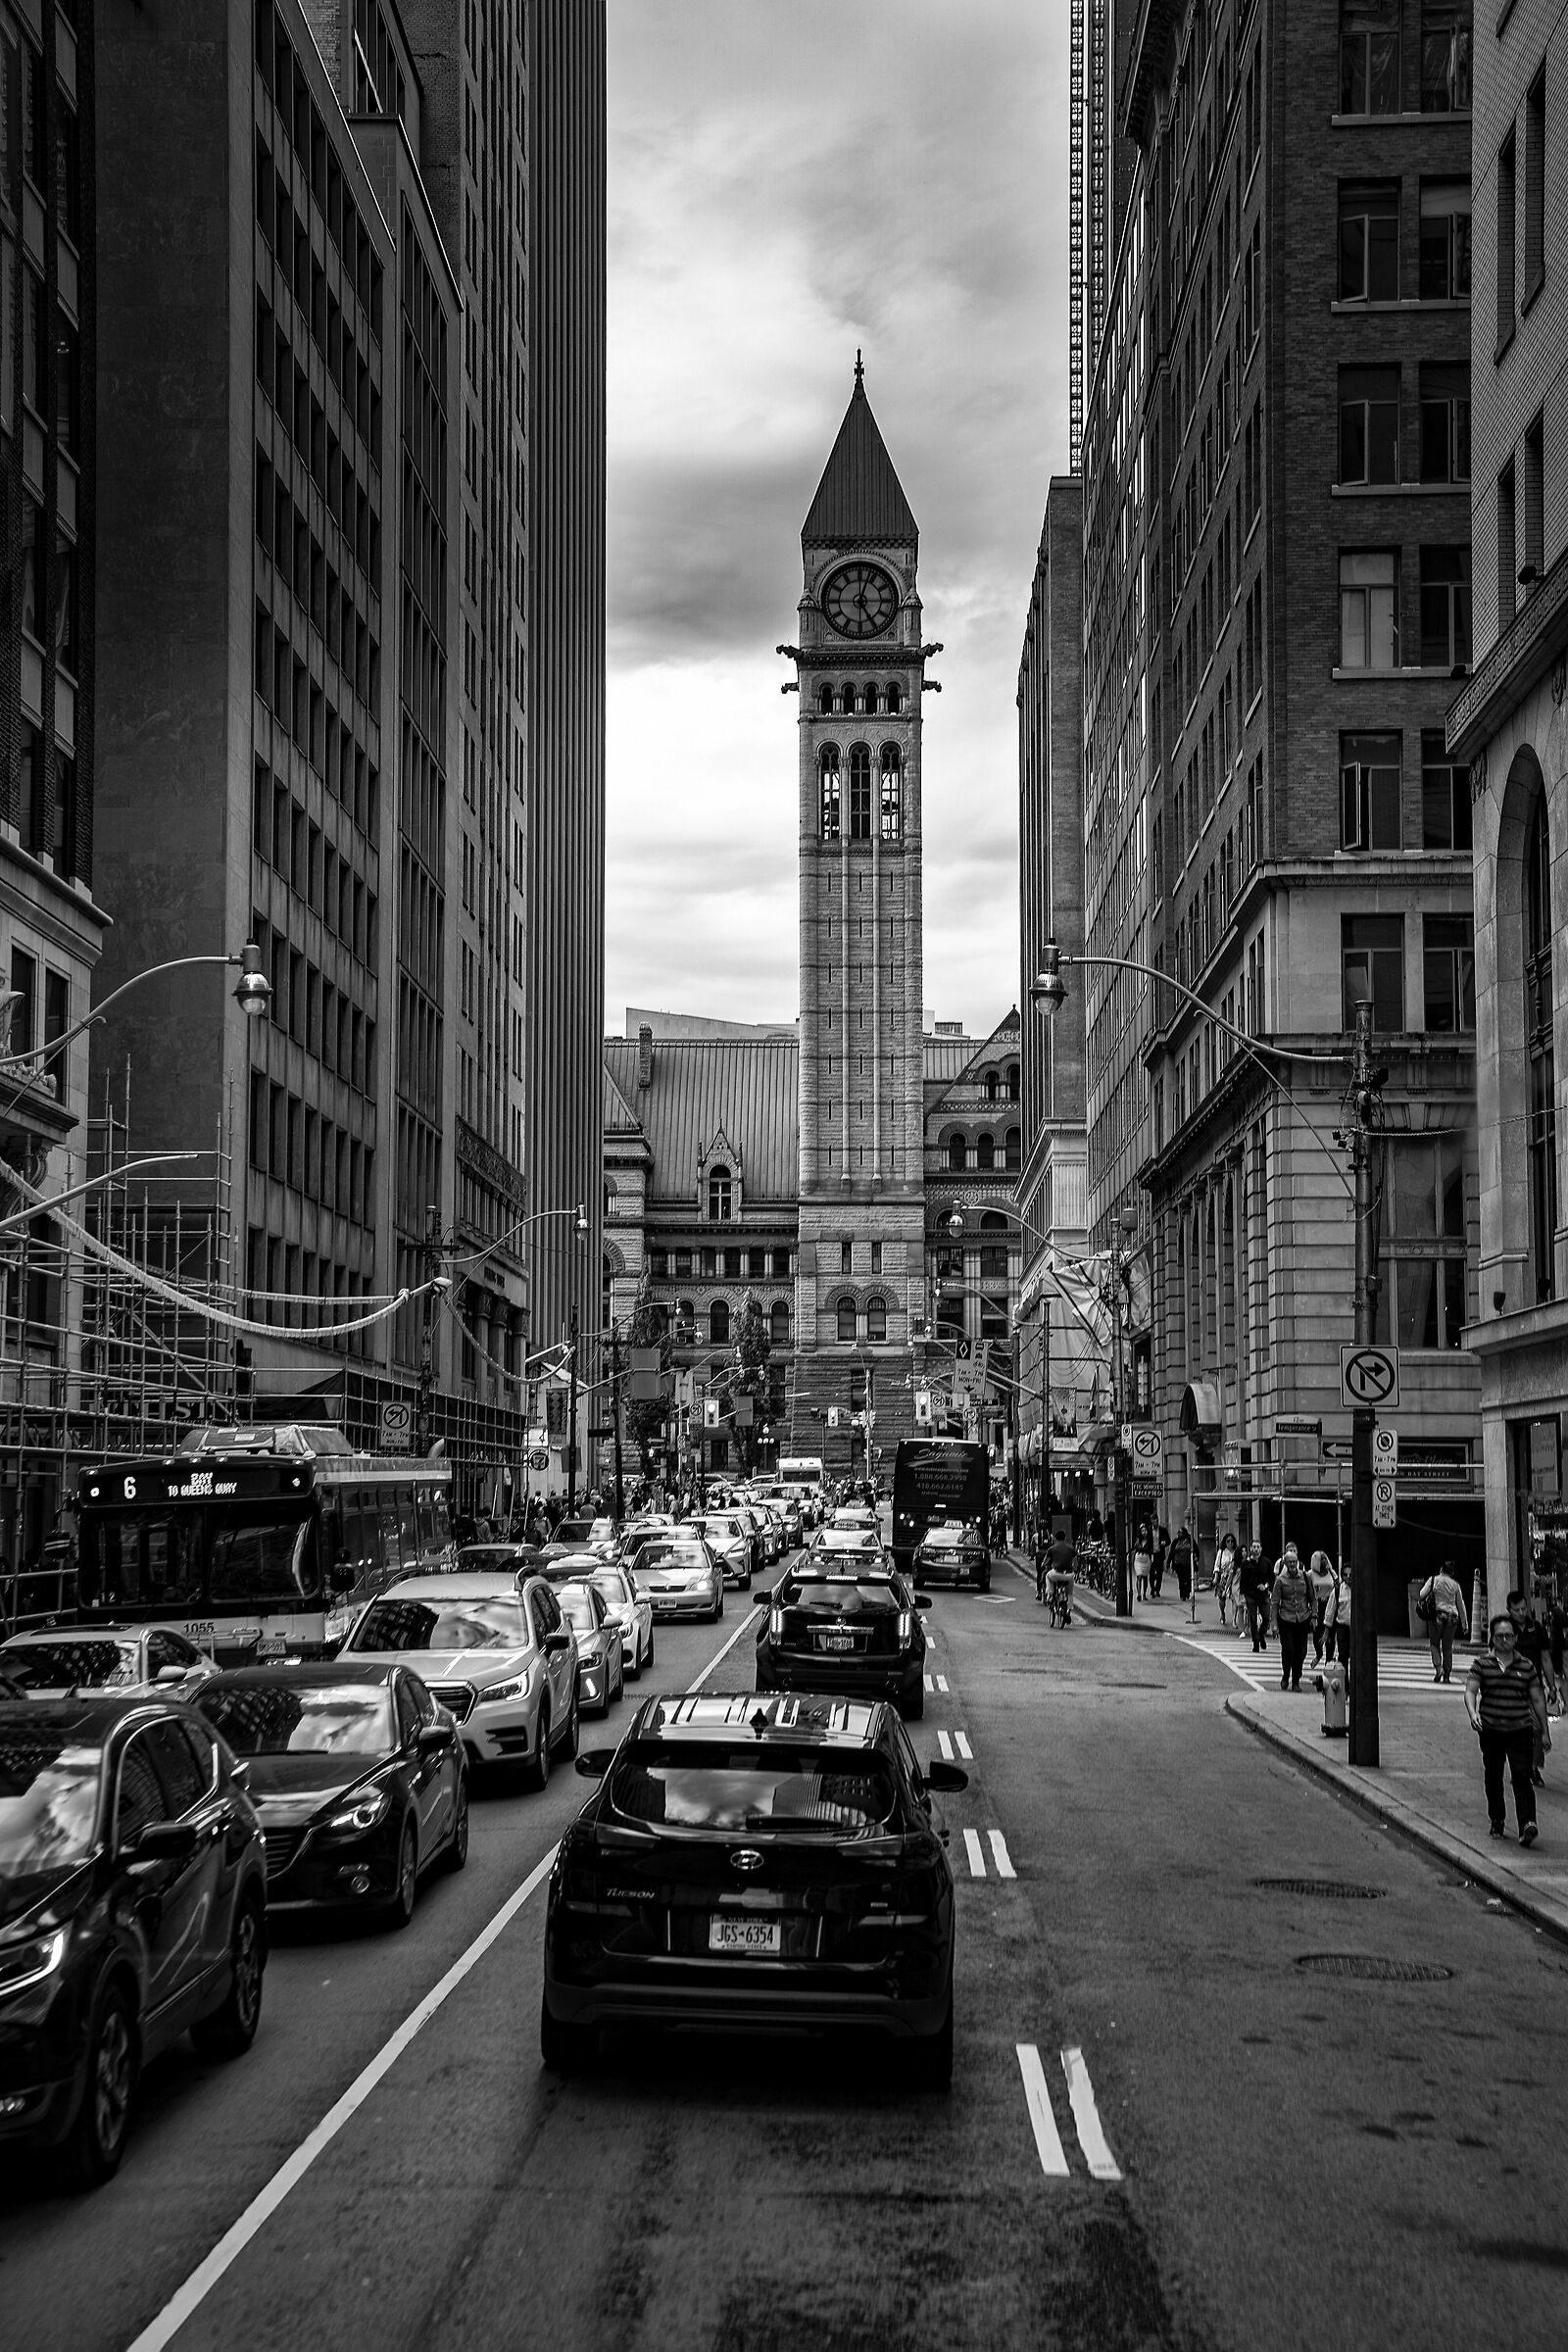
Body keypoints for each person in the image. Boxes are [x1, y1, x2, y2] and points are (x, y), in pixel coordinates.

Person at [1464, 1614, 1548, 1844]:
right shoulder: (1482, 1664)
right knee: (1493, 1776)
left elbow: (1537, 1700)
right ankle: (1497, 1821)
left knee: (1522, 1776)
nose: (1504, 1640)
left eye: (1509, 1636)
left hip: (1520, 1730)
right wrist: (1473, 1714)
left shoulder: (1526, 1665)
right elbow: (1471, 1690)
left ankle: (1527, 1824)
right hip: (1491, 1730)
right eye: (1499, 1636)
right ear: (1492, 1637)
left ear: (1516, 1638)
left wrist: (1544, 1731)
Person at [1506, 1591, 1552, 1783]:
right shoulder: (1504, 1628)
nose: (1521, 1613)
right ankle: (1520, 1767)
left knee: (1538, 1727)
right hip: (1512, 1686)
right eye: (1516, 1610)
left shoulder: (1537, 1628)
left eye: (1524, 1609)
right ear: (1509, 1610)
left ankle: (1534, 1768)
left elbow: (1545, 1658)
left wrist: (1553, 1687)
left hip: (1534, 1685)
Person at [1270, 1543, 1314, 1690]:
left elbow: (1312, 1598)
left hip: (1303, 1617)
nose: (1292, 1565)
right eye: (1289, 1563)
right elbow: (1275, 1603)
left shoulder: (1306, 1577)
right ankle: (1285, 1675)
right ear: (1285, 1564)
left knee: (1300, 1651)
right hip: (1286, 1618)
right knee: (1288, 1648)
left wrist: (1314, 1616)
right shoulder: (1280, 1581)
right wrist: (1274, 1624)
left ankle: (1296, 1680)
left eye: (1294, 1562)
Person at [1419, 1561, 1471, 1685]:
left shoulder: (1433, 1580)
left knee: (1434, 1643)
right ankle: (1447, 1675)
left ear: (1441, 1569)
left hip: (1437, 1616)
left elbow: (1422, 1594)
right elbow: (1460, 1605)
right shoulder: (1455, 1585)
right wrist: (1465, 1624)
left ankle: (1438, 1668)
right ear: (1452, 1573)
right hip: (1452, 1617)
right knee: (1447, 1647)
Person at [1239, 1541, 1270, 1651]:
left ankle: (1261, 1634)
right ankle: (1255, 1642)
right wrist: (1242, 1595)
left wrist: (1265, 1586)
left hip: (1263, 1594)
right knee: (1252, 1619)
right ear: (1251, 1548)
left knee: (1266, 1617)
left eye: (1258, 1547)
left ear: (1261, 1549)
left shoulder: (1266, 1562)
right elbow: (1242, 1581)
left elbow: (1271, 1578)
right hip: (1250, 1594)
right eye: (1254, 1547)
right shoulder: (1246, 1564)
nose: (1256, 1549)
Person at [1306, 1551, 1336, 1665]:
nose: (1324, 1561)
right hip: (1317, 1606)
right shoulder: (1310, 1575)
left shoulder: (1331, 1573)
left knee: (1330, 1636)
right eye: (1321, 1559)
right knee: (1317, 1635)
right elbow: (1308, 1592)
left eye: (1325, 1559)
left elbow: (1336, 1587)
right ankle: (1319, 1654)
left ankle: (1328, 1661)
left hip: (1330, 1605)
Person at [1321, 1556, 1350, 1668]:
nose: (1348, 1578)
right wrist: (1326, 1632)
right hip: (1342, 1626)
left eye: (1350, 1575)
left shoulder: (1359, 1589)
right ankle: (1345, 1683)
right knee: (1343, 1655)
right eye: (1345, 1575)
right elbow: (1330, 1611)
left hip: (1356, 1629)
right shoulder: (1338, 1590)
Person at [1039, 1525, 1076, 1609]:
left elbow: (1045, 1561)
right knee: (1070, 1592)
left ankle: (1050, 1594)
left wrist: (1042, 1565)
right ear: (1065, 1538)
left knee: (1047, 1576)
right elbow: (1075, 1560)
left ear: (1055, 1538)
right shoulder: (1071, 1548)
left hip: (1057, 1573)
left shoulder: (1052, 1549)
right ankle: (1069, 1609)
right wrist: (1074, 1569)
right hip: (1069, 1574)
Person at [1168, 1521, 1196, 1611]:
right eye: (1178, 1533)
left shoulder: (1189, 1540)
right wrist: (1169, 1562)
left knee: (1187, 1579)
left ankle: (1187, 1592)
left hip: (1188, 1563)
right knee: (1181, 1579)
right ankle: (1182, 1594)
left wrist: (1196, 1558)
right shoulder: (1176, 1541)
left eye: (1181, 1533)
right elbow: (1171, 1552)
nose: (1179, 1534)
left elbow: (1195, 1549)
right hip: (1178, 1563)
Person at [1133, 1523, 1152, 1602]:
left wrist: (1152, 1558)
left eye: (1145, 1530)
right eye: (1142, 1531)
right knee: (1139, 1576)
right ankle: (1138, 1594)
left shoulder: (1149, 1541)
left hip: (1146, 1559)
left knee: (1145, 1577)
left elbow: (1151, 1550)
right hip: (1138, 1559)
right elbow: (1134, 1548)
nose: (1144, 1532)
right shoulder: (1138, 1540)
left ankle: (1144, 1594)